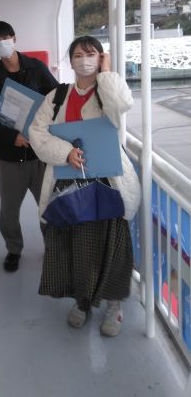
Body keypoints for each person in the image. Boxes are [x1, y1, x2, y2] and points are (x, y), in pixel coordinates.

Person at [28, 36, 141, 336]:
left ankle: (114, 306)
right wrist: (65, 152)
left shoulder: (107, 91)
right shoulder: (57, 96)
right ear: (70, 61)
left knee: (112, 246)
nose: (84, 60)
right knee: (76, 246)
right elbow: (37, 132)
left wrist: (107, 72)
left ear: (100, 58)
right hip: (69, 181)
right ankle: (83, 301)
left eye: (91, 54)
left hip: (107, 182)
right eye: (78, 55)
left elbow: (123, 103)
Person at [0, 21, 58, 272]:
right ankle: (14, 249)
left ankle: (53, 248)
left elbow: (56, 99)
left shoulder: (37, 68)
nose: (2, 44)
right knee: (9, 213)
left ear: (14, 38)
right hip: (11, 158)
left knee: (49, 207)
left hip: (40, 155)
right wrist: (12, 137)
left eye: (5, 38)